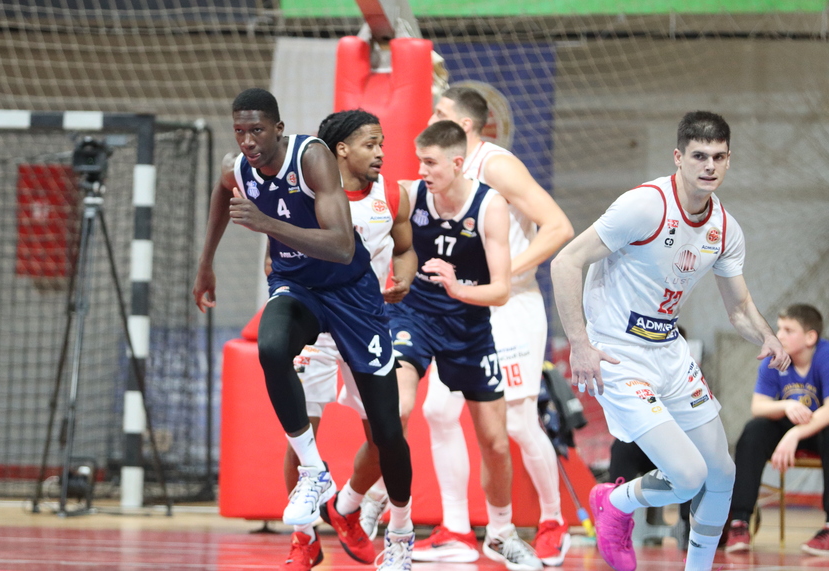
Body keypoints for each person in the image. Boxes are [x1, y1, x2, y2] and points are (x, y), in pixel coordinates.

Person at [550, 111, 790, 571]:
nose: (709, 166)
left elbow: (739, 307)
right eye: (699, 156)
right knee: (688, 476)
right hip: (618, 354)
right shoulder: (645, 207)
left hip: (670, 352)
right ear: (678, 157)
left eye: (718, 157)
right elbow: (566, 262)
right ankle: (614, 502)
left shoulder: (725, 229)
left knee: (721, 474)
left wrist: (767, 336)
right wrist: (579, 344)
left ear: (729, 160)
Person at [192, 90, 414, 571]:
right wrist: (206, 262)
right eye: (240, 132)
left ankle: (399, 534)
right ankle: (312, 485)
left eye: (256, 130)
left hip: (354, 298)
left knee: (388, 432)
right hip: (300, 290)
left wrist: (266, 223)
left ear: (278, 128)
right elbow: (223, 188)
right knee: (272, 348)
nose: (248, 141)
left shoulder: (312, 158)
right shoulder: (239, 167)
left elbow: (341, 246)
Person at [401, 86, 574, 566]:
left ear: (465, 126)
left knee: (517, 421)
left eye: (440, 112)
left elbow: (559, 227)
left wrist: (502, 274)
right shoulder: (438, 175)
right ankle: (456, 529)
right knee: (438, 411)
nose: (431, 117)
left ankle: (552, 521)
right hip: (462, 308)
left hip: (510, 306)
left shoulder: (495, 165)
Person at [275, 109, 417, 569]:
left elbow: (405, 248)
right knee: (302, 438)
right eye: (370, 144)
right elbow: (274, 260)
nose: (380, 153)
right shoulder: (303, 194)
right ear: (341, 149)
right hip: (316, 326)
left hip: (364, 323)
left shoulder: (391, 195)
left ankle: (347, 505)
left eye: (381, 144)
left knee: (385, 435)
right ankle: (303, 538)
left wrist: (404, 278)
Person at [724, 304, 829, 555]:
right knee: (754, 430)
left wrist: (795, 434)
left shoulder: (825, 356)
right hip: (787, 427)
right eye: (779, 328)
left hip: (819, 429)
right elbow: (758, 407)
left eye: (788, 330)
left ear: (810, 337)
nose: (779, 335)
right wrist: (786, 405)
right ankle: (740, 521)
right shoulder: (776, 358)